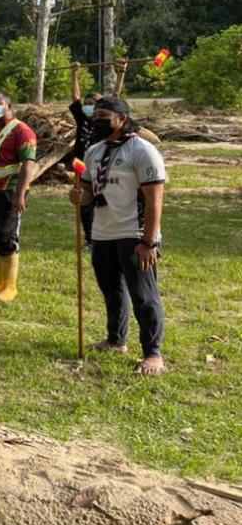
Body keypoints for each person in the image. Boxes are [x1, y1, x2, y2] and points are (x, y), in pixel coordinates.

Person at [69, 96, 167, 376]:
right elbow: (90, 192)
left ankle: (153, 353)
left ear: (122, 119)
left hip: (134, 232)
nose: (97, 121)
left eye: (104, 117)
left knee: (143, 294)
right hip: (103, 231)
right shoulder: (94, 151)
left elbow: (155, 200)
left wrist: (149, 242)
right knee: (111, 290)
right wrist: (80, 197)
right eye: (95, 116)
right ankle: (116, 340)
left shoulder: (142, 151)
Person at [0, 91, 37, 303]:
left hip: (7, 191)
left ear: (9, 106)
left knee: (7, 236)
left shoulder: (21, 130)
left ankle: (10, 286)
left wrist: (20, 194)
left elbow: (28, 164)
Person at [70, 63, 103, 247]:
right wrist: (74, 73)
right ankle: (89, 239)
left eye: (93, 104)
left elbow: (116, 96)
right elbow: (75, 97)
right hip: (80, 163)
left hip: (100, 164)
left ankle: (101, 236)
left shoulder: (104, 121)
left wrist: (121, 72)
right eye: (87, 104)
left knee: (100, 198)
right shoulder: (81, 117)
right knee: (82, 200)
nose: (89, 107)